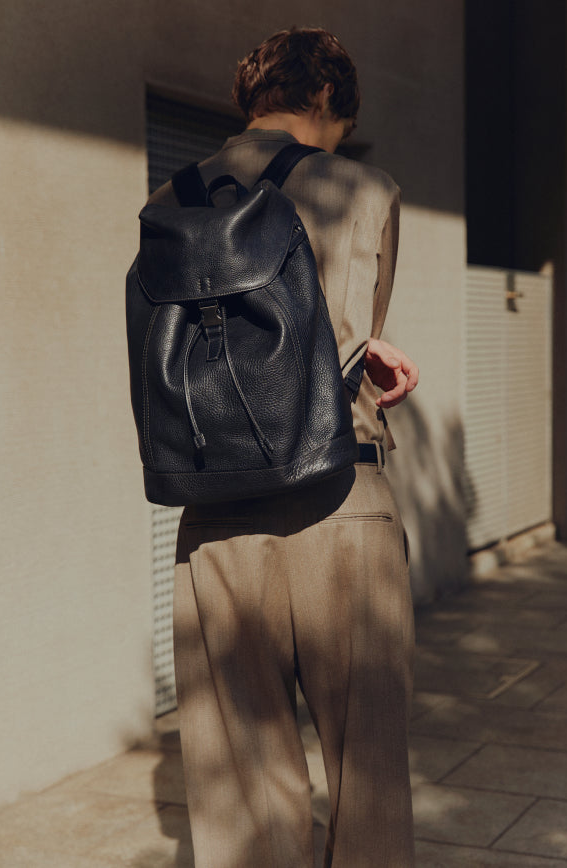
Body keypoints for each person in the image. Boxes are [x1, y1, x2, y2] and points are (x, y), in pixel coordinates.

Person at [151, 27, 418, 868]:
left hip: (215, 511)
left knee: (241, 787)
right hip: (341, 495)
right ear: (327, 96)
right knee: (368, 773)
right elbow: (348, 334)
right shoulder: (366, 187)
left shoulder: (169, 198)